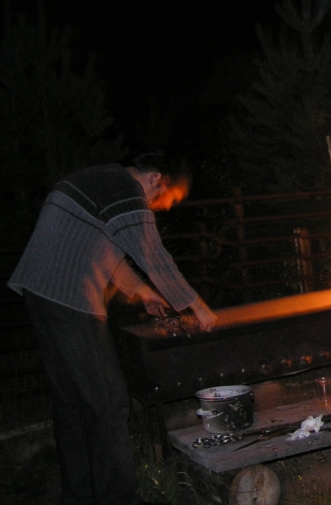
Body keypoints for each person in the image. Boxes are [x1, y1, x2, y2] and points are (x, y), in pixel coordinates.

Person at [8, 152, 217, 505]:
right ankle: (120, 497)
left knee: (73, 402)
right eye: (165, 199)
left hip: (40, 293)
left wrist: (143, 292)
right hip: (69, 300)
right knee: (109, 403)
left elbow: (103, 253)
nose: (159, 208)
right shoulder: (124, 189)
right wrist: (196, 304)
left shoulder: (99, 180)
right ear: (156, 179)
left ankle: (79, 495)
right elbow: (153, 254)